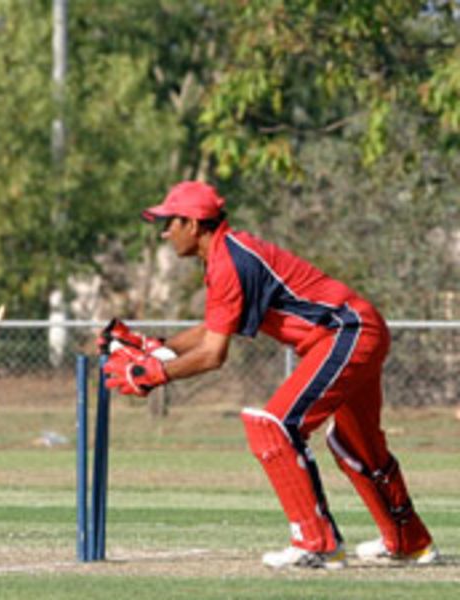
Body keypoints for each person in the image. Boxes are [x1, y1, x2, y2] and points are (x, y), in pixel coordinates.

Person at [100, 181, 437, 570]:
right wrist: (153, 346)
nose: (164, 232)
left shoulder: (230, 260)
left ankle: (318, 543)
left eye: (168, 222)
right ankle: (410, 542)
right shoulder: (227, 255)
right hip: (357, 330)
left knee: (275, 425)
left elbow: (213, 355)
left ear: (192, 224)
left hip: (346, 332)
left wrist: (151, 373)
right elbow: (211, 330)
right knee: (355, 444)